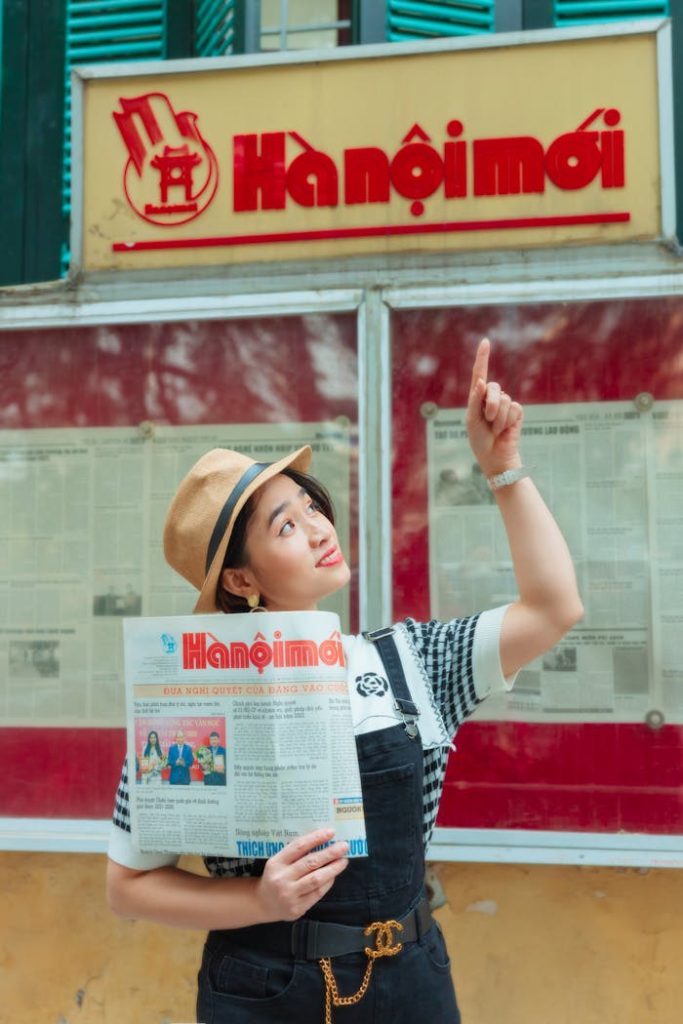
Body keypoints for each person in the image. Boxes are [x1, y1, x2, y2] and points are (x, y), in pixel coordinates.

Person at [106, 339, 583, 1023]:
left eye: (309, 506)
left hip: (409, 978)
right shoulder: (190, 695)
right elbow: (129, 886)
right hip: (261, 989)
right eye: (286, 526)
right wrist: (260, 901)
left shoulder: (409, 662)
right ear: (240, 580)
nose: (317, 528)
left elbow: (553, 607)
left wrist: (501, 467)